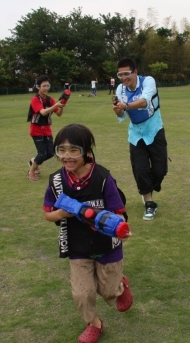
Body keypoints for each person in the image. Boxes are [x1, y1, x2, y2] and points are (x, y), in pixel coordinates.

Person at [42, 123, 133, 343]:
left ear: (87, 152)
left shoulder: (102, 178)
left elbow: (119, 211)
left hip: (107, 246)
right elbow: (48, 214)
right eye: (61, 150)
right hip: (77, 246)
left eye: (74, 150)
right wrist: (64, 213)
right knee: (82, 294)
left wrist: (120, 228)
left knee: (108, 291)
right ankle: (94, 324)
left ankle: (120, 286)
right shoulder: (56, 181)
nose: (67, 156)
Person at [111, 57, 168, 221]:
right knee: (140, 169)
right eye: (120, 75)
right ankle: (149, 202)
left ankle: (148, 187)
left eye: (127, 73)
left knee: (160, 169)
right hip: (136, 133)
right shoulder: (120, 89)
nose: (124, 78)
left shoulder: (148, 81)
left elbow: (144, 102)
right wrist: (117, 109)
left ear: (135, 72)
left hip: (154, 128)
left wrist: (126, 106)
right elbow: (121, 115)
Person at [27, 75, 65, 181]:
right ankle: (31, 172)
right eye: (44, 86)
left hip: (47, 130)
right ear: (38, 87)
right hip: (36, 130)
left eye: (48, 85)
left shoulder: (50, 100)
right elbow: (43, 112)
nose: (46, 88)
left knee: (50, 153)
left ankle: (33, 161)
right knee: (42, 153)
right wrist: (55, 106)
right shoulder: (35, 99)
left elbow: (59, 114)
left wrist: (60, 107)